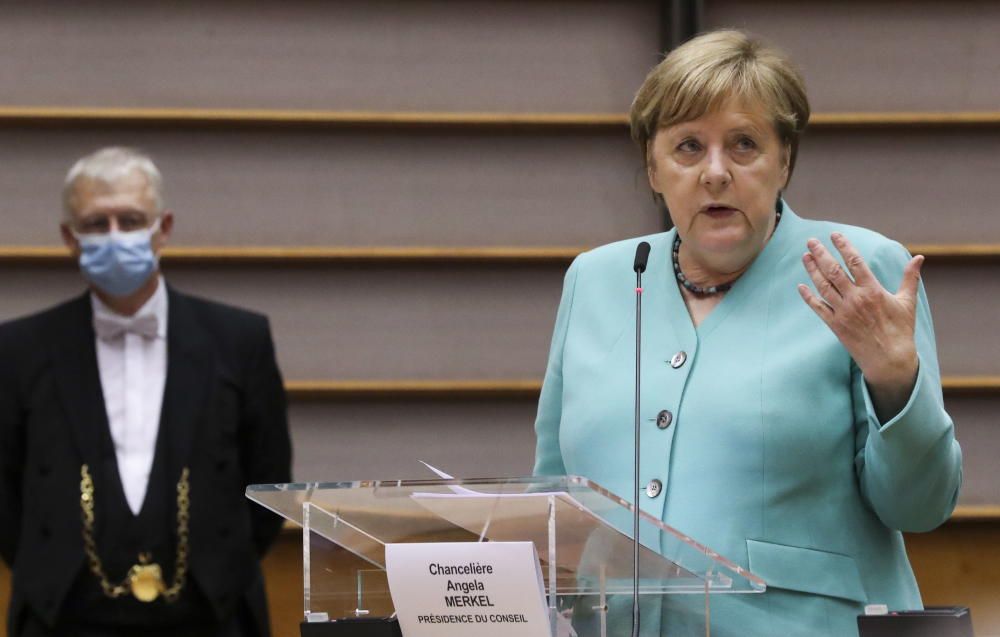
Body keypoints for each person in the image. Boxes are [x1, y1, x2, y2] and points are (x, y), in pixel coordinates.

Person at [533, 31, 962, 636]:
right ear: (652, 168)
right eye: (687, 147)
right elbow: (551, 500)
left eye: (744, 145)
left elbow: (920, 509)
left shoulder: (856, 271)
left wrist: (898, 384)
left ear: (784, 160)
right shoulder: (597, 279)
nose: (715, 173)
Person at [0, 147, 292, 637]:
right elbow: (5, 494)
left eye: (131, 219)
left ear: (164, 228)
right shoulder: (17, 349)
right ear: (70, 238)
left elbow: (268, 480)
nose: (115, 237)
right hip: (65, 619)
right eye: (97, 224)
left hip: (211, 617)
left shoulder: (240, 339)